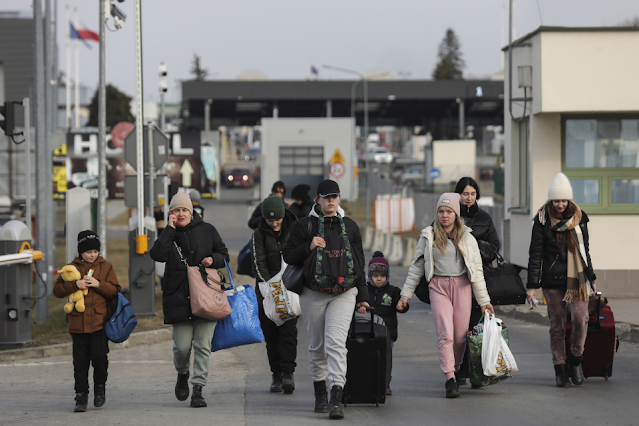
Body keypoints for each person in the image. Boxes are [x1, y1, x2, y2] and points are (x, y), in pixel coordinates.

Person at [282, 179, 369, 420]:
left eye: (334, 196)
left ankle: (335, 396)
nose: (331, 201)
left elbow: (359, 262)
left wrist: (363, 296)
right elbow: (289, 256)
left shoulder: (350, 226)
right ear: (317, 200)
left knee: (336, 344)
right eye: (326, 197)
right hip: (313, 293)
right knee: (318, 346)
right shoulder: (304, 226)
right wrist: (309, 246)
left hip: (344, 292)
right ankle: (319, 393)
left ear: (339, 199)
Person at [397, 193, 494, 399]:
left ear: (456, 214)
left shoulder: (468, 238)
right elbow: (416, 267)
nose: (444, 215)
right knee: (445, 336)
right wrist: (405, 295)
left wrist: (484, 301)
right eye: (441, 211)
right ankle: (449, 377)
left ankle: (456, 368)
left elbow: (476, 271)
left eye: (449, 211)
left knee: (460, 339)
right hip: (438, 287)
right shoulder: (428, 236)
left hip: (462, 287)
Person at [150, 190, 230, 408]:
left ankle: (198, 389)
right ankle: (183, 373)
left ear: (191, 210)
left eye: (185, 209)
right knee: (182, 347)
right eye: (177, 210)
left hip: (205, 296)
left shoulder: (207, 229)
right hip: (179, 297)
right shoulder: (169, 232)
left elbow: (224, 254)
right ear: (172, 213)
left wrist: (212, 259)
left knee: (203, 345)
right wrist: (169, 228)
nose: (182, 213)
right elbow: (157, 254)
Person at [527, 173, 597, 388]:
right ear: (550, 200)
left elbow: (584, 251)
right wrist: (532, 286)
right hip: (552, 281)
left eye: (563, 200)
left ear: (569, 200)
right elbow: (535, 255)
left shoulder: (579, 218)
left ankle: (575, 360)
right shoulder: (541, 221)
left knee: (580, 319)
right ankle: (560, 367)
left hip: (577, 280)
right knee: (556, 326)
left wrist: (591, 277)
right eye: (556, 200)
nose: (560, 204)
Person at [53, 230, 121, 412]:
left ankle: (100, 388)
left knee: (99, 358)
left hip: (100, 323)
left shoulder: (106, 267)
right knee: (80, 362)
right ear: (80, 252)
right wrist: (75, 285)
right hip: (78, 324)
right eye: (88, 252)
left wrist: (98, 284)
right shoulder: (71, 267)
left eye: (95, 251)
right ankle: (81, 396)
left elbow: (115, 291)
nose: (92, 255)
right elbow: (57, 290)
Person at [454, 176, 501, 386]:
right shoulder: (448, 215)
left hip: (478, 281)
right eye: (465, 194)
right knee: (458, 329)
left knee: (475, 329)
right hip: (454, 281)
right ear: (458, 195)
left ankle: (476, 372)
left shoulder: (485, 218)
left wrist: (474, 245)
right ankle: (458, 370)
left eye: (473, 194)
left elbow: (494, 249)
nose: (469, 198)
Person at [252, 196, 299, 394]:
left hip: (289, 289)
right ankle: (276, 374)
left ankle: (288, 373)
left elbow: (300, 256)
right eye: (270, 221)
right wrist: (270, 286)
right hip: (267, 291)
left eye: (277, 220)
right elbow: (258, 262)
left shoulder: (295, 229)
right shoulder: (259, 234)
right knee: (271, 334)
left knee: (287, 332)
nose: (274, 223)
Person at [365, 250, 409, 395]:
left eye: (382, 276)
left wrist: (401, 305)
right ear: (370, 276)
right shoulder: (363, 291)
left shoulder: (393, 291)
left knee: (385, 358)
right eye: (375, 276)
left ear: (387, 276)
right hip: (367, 330)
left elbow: (401, 306)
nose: (379, 279)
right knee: (368, 357)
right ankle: (368, 381)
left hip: (386, 333)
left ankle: (385, 382)